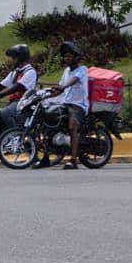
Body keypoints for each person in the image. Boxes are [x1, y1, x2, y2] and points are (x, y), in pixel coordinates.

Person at [43, 40, 90, 169]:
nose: (67, 58)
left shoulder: (83, 70)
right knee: (48, 119)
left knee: (72, 126)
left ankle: (74, 160)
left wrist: (62, 86)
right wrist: (47, 94)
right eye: (65, 56)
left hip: (78, 105)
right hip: (65, 103)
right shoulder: (66, 71)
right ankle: (46, 157)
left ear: (76, 57)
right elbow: (61, 87)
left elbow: (72, 81)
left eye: (69, 56)